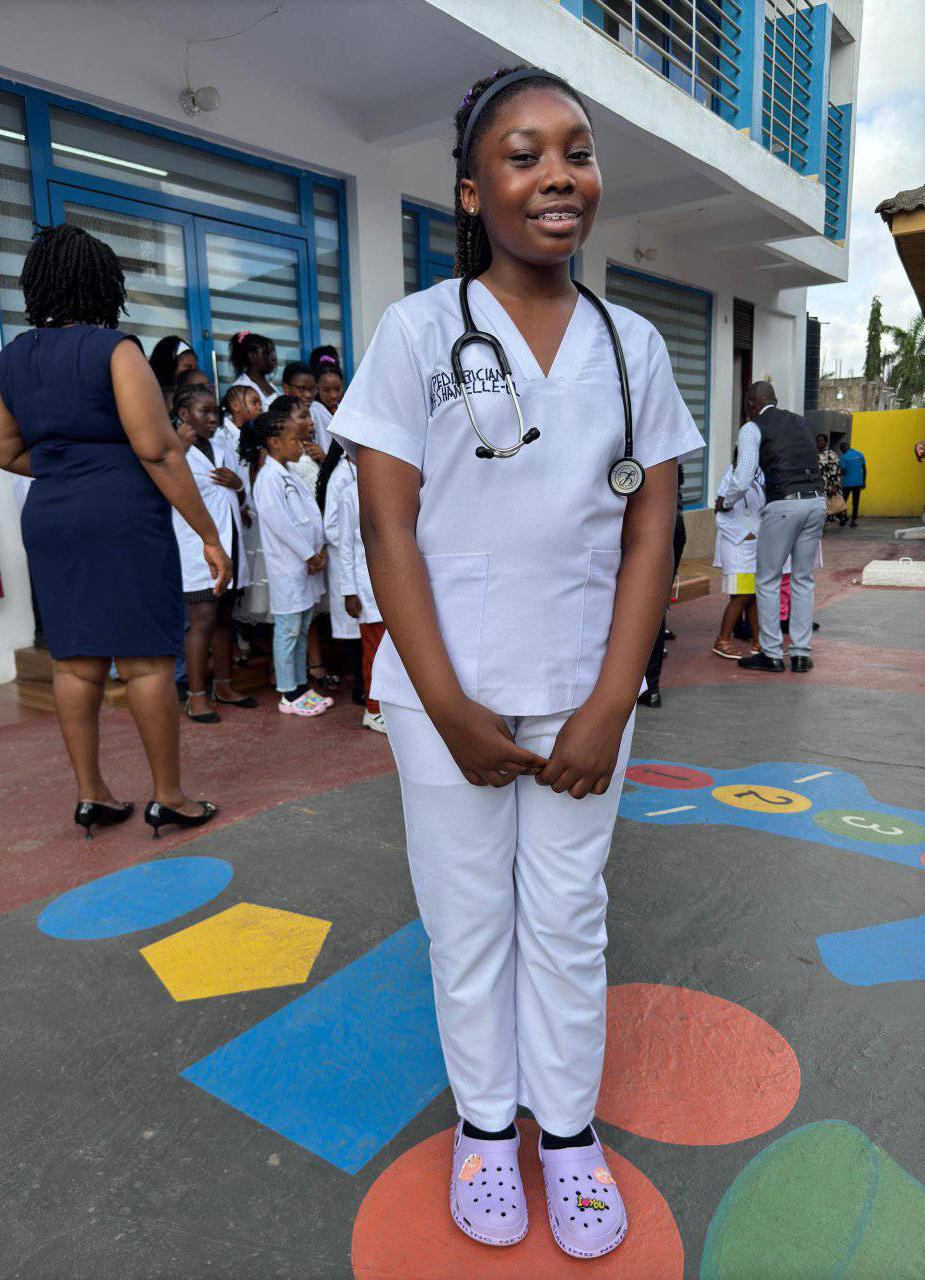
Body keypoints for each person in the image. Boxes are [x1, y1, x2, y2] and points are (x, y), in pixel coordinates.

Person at [329, 66, 703, 1260]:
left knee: (568, 915)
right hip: (446, 692)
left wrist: (610, 699)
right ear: (471, 186)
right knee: (466, 919)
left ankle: (567, 1132)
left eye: (577, 152)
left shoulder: (633, 344)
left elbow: (651, 523)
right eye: (523, 154)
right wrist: (443, 702)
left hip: (583, 693)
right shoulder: (418, 332)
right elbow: (390, 525)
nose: (557, 175)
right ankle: (487, 1128)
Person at [0, 224, 229, 838]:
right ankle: (169, 796)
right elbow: (160, 451)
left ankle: (92, 795)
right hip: (118, 514)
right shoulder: (115, 351)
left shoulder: (11, 358)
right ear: (101, 285)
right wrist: (208, 533)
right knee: (144, 663)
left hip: (52, 514)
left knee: (75, 661)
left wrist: (65, 463)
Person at [722, 381, 824, 674]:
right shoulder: (802, 423)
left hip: (783, 505)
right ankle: (801, 654)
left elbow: (742, 478)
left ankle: (771, 654)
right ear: (775, 400)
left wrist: (727, 501)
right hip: (816, 503)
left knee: (767, 580)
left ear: (751, 404)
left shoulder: (753, 428)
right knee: (803, 579)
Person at [171, 385, 256, 722]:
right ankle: (195, 697)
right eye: (203, 412)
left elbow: (242, 493)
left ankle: (224, 685)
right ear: (182, 415)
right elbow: (163, 490)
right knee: (202, 621)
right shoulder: (173, 450)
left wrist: (238, 483)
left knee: (223, 619)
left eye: (214, 412)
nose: (212, 418)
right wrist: (177, 451)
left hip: (230, 542)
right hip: (197, 548)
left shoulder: (221, 444)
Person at [241, 408, 333, 717]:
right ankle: (288, 692)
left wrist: (317, 552)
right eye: (294, 438)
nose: (301, 443)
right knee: (288, 628)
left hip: (304, 566)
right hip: (290, 567)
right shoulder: (269, 479)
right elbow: (282, 525)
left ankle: (301, 685)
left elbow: (308, 518)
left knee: (303, 626)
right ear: (275, 442)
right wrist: (310, 554)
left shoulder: (286, 473)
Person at [337, 479, 386, 733]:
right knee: (374, 652)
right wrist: (349, 591)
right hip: (366, 586)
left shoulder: (393, 482)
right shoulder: (349, 493)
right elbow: (345, 544)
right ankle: (373, 709)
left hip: (393, 583)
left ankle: (391, 707)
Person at [637, 464, 686, 707]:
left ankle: (646, 685)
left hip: (648, 524)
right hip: (672, 520)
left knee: (645, 602)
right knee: (653, 602)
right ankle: (651, 686)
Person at [318, 443, 364, 702]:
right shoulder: (340, 478)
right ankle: (360, 688)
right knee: (355, 634)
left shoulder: (357, 472)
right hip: (346, 561)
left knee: (364, 632)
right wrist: (357, 540)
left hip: (361, 560)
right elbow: (331, 527)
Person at [712, 450, 762, 659]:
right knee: (742, 595)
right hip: (739, 547)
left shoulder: (755, 480)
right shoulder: (732, 481)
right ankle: (722, 640)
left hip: (752, 548)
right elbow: (721, 517)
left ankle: (759, 641)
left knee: (753, 596)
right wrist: (745, 535)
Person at [282, 359, 333, 454]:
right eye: (301, 389)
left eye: (312, 389)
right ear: (286, 388)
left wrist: (323, 457)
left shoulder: (319, 410)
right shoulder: (277, 411)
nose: (308, 395)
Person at [229, 330, 281, 411]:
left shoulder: (270, 384)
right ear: (252, 356)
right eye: (267, 353)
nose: (273, 357)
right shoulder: (241, 388)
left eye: (273, 352)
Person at [815, 433, 845, 525]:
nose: (819, 442)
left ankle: (825, 523)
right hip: (817, 484)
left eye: (821, 440)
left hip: (828, 484)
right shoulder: (814, 454)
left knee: (827, 505)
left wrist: (835, 485)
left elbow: (836, 470)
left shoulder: (830, 454)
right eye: (818, 441)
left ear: (825, 442)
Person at [838, 438, 867, 528]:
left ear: (842, 449)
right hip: (858, 483)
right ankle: (853, 521)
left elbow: (843, 471)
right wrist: (864, 482)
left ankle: (843, 518)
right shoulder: (860, 454)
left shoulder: (844, 457)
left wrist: (838, 473)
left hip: (847, 483)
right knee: (856, 502)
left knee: (843, 501)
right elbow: (865, 469)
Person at [310, 345, 345, 415]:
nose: (333, 396)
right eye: (326, 390)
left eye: (338, 389)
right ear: (316, 388)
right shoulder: (313, 412)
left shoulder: (344, 408)